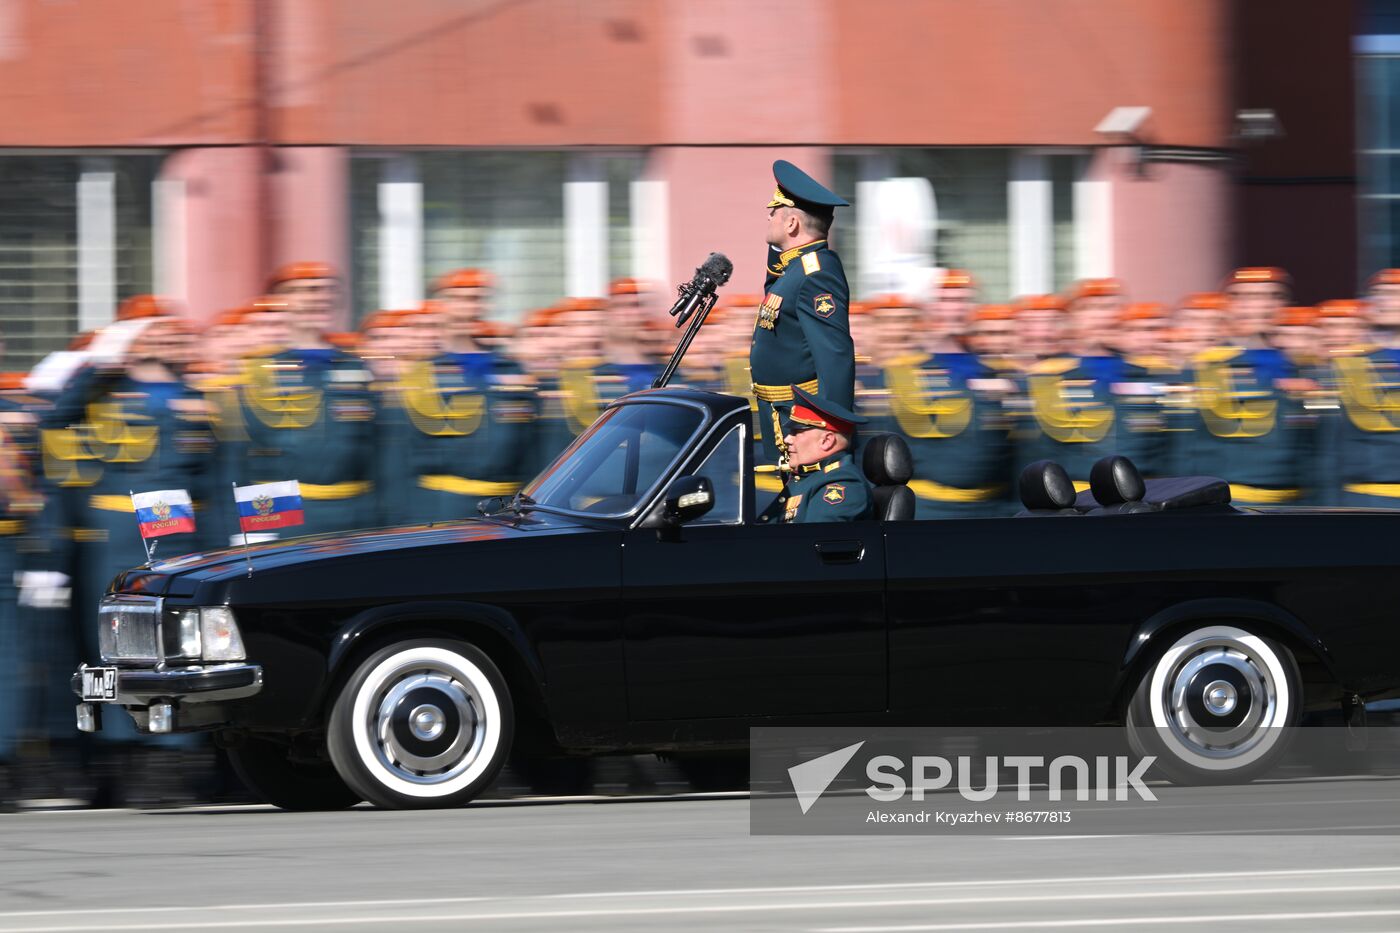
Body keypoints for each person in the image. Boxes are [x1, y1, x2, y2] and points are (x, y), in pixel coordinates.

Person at [239, 263, 376, 535]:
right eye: (305, 291)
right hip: (284, 510)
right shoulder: (259, 370)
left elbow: (374, 449)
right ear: (280, 302)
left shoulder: (354, 367)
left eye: (325, 291)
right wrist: (255, 530)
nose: (318, 298)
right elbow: (244, 455)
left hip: (354, 509)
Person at [750, 160, 854, 466]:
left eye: (776, 211)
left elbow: (835, 358)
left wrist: (829, 437)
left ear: (793, 223)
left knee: (805, 503)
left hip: (802, 423)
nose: (769, 215)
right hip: (780, 414)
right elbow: (773, 285)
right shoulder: (794, 270)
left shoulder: (816, 274)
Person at [759, 385, 871, 523]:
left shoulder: (842, 485)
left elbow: (811, 541)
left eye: (796, 433)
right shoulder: (806, 478)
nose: (787, 439)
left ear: (826, 441)